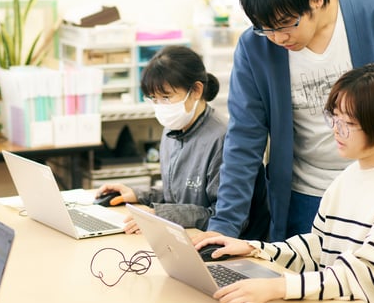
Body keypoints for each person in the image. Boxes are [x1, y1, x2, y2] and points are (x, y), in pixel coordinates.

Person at [194, 0, 374, 244]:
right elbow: (244, 137)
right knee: (303, 269)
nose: (278, 38)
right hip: (306, 194)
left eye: (286, 23)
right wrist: (225, 224)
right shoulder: (255, 47)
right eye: (266, 29)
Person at [195, 63, 374, 303]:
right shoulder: (348, 177)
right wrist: (254, 248)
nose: (335, 130)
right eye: (334, 117)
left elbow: (369, 276)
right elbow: (318, 248)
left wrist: (279, 287)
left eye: (349, 123)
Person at [95, 45, 269, 237]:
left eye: (166, 97)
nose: (160, 106)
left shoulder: (223, 139)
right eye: (154, 99)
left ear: (196, 90)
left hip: (223, 242)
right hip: (184, 235)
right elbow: (179, 194)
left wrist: (161, 215)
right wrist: (138, 195)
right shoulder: (172, 130)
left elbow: (221, 217)